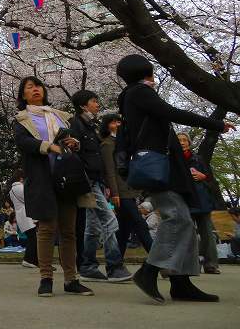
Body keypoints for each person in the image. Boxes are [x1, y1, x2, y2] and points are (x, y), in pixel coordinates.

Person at [116, 54, 233, 303]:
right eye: (152, 73)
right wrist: (215, 123)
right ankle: (149, 271)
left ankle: (182, 283)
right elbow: (172, 112)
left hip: (162, 169)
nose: (155, 78)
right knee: (177, 219)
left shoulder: (131, 96)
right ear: (145, 73)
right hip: (159, 170)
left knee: (186, 223)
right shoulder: (139, 92)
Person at [13, 76, 94, 297]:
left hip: (66, 177)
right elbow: (23, 143)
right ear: (23, 94)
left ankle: (71, 279)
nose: (36, 89)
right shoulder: (21, 119)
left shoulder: (59, 116)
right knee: (47, 230)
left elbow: (71, 139)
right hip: (41, 178)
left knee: (69, 231)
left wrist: (73, 143)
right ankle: (46, 278)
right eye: (30, 87)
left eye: (38, 86)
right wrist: (49, 147)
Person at [70, 90, 132, 283]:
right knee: (109, 219)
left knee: (93, 226)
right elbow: (75, 154)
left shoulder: (90, 126)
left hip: (95, 181)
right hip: (87, 181)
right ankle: (114, 266)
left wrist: (103, 182)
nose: (97, 104)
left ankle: (87, 266)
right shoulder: (76, 125)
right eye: (94, 101)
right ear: (83, 105)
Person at [100, 113, 153, 256]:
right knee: (139, 223)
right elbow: (110, 171)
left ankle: (116, 262)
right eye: (113, 122)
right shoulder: (107, 143)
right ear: (106, 125)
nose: (117, 125)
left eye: (119, 122)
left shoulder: (126, 143)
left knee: (124, 229)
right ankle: (159, 260)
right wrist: (114, 192)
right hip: (120, 191)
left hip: (130, 189)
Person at [178, 132, 220, 274]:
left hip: (201, 199)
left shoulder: (198, 159)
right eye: (179, 140)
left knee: (207, 233)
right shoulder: (173, 159)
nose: (182, 142)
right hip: (184, 199)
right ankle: (191, 263)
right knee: (188, 233)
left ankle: (211, 264)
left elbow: (211, 179)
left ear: (189, 143)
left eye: (185, 140)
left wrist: (203, 176)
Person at [9, 169, 38, 268]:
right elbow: (29, 198)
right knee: (33, 238)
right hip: (26, 216)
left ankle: (33, 260)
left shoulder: (12, 190)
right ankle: (28, 260)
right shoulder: (20, 188)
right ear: (21, 178)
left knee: (32, 238)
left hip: (22, 216)